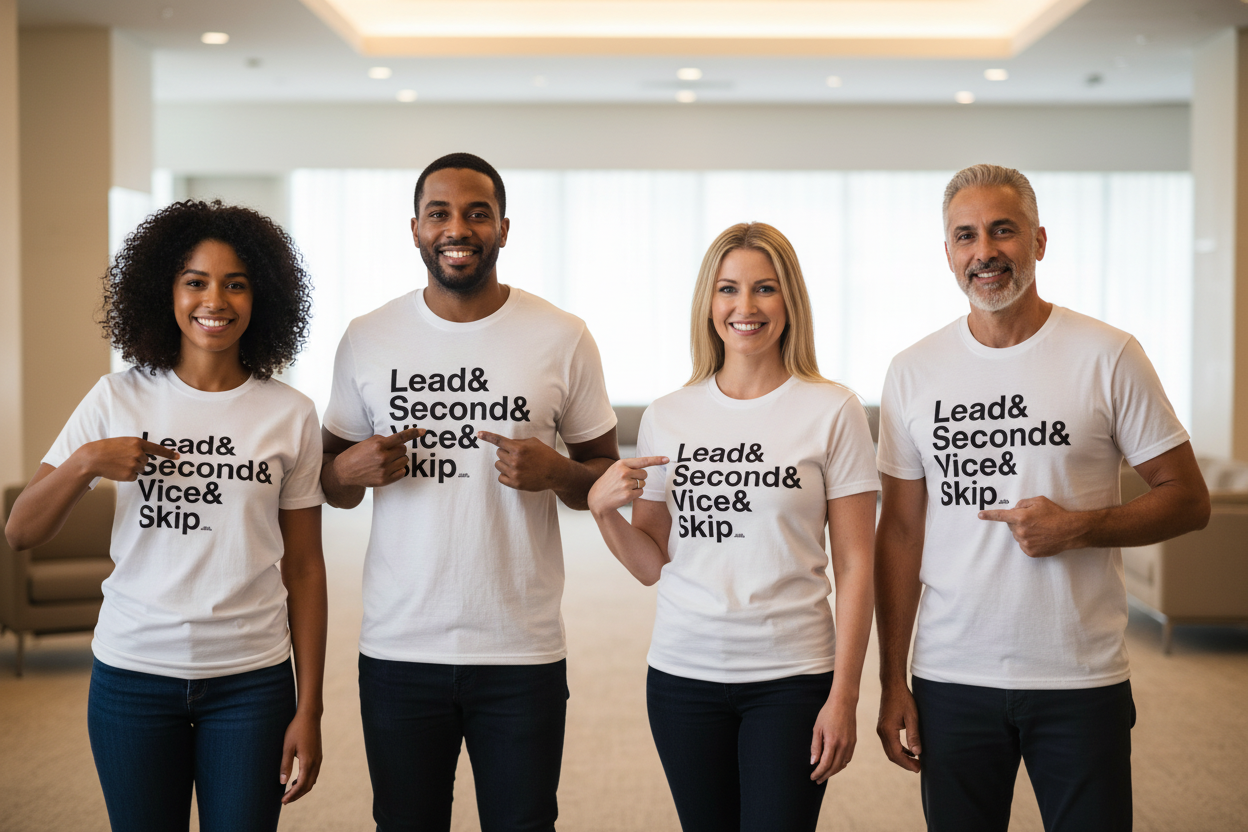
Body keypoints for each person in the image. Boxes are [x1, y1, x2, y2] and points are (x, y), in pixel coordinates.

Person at [873, 164, 1211, 832]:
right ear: (948, 254)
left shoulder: (1108, 355)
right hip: (951, 675)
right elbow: (901, 534)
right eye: (965, 236)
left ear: (1039, 241)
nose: (985, 251)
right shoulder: (912, 371)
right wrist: (891, 681)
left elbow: (1189, 499)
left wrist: (1081, 528)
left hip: (1079, 677)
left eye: (1004, 230)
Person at [4, 200, 328, 832]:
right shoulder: (116, 397)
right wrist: (87, 463)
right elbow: (21, 530)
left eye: (236, 283)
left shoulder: (290, 413)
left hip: (251, 681)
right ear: (166, 291)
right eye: (196, 282)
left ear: (262, 296)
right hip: (132, 676)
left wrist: (309, 706)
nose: (216, 300)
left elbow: (308, 569)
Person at [319, 152, 618, 831]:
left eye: (477, 214)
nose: (459, 228)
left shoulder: (562, 336)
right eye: (440, 213)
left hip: (520, 648)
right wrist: (347, 472)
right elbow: (329, 484)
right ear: (416, 229)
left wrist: (561, 474)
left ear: (504, 229)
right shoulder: (367, 337)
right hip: (400, 648)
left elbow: (602, 478)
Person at [587, 222, 878, 832]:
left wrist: (844, 695)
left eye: (765, 289)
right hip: (681, 678)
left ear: (789, 301)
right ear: (708, 303)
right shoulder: (669, 415)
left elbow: (856, 565)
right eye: (728, 289)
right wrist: (601, 508)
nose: (745, 307)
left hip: (792, 679)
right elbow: (650, 565)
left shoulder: (833, 410)